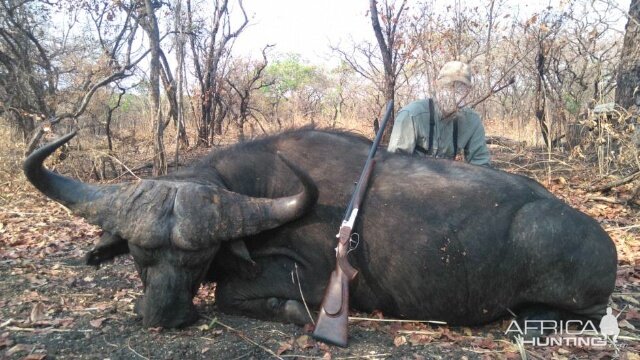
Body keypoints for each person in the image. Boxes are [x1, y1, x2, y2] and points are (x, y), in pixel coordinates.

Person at [387, 61, 491, 166]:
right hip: (411, 178)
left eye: (460, 87)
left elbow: (481, 165)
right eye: (448, 86)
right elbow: (394, 165)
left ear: (468, 91)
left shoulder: (472, 120)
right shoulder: (411, 115)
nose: (453, 93)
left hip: (450, 178)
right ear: (435, 85)